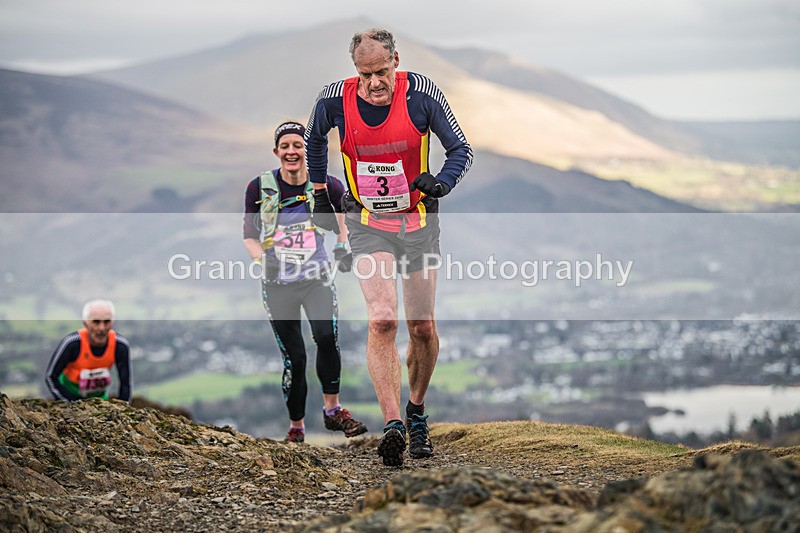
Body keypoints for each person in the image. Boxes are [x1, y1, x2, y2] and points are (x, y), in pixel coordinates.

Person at [305, 28, 473, 465]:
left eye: (382, 71)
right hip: (367, 222)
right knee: (382, 320)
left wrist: (441, 182)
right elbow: (313, 140)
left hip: (418, 222)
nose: (375, 82)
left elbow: (461, 150)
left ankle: (416, 410)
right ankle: (394, 423)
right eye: (365, 74)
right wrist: (321, 192)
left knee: (422, 327)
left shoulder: (421, 93)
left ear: (396, 60)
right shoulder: (333, 99)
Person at [242, 120, 367, 443]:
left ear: (306, 150)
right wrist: (263, 260)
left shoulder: (327, 186)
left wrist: (342, 248)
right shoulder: (260, 188)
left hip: (316, 279)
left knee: (326, 337)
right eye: (285, 146)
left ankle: (332, 410)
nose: (292, 151)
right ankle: (296, 426)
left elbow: (343, 225)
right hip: (278, 285)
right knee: (295, 358)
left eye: (298, 145)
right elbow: (249, 237)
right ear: (276, 152)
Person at [46, 299, 133, 402]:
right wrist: (70, 403)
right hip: (68, 399)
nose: (101, 328)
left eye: (107, 322)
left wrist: (123, 409)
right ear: (85, 323)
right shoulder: (72, 343)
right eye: (96, 322)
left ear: (112, 322)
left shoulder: (120, 345)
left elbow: (126, 384)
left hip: (99, 401)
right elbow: (50, 377)